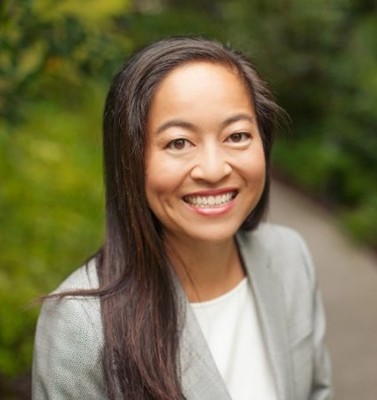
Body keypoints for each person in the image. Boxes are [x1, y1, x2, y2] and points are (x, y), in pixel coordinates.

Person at [32, 37, 333, 400]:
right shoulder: (81, 324)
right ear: (130, 160)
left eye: (237, 135)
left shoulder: (289, 257)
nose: (213, 169)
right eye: (178, 142)